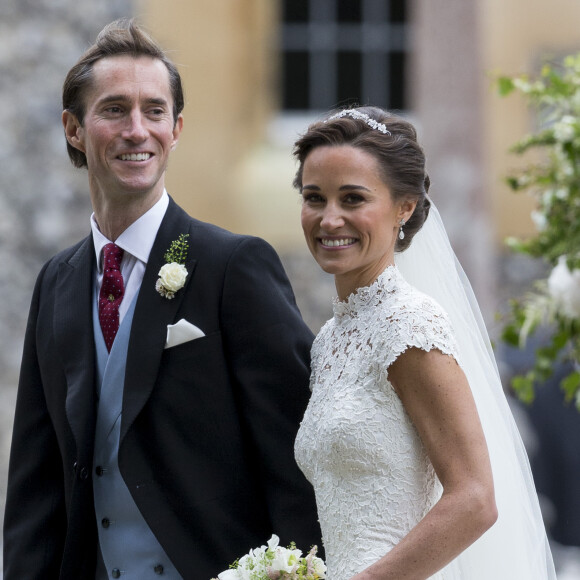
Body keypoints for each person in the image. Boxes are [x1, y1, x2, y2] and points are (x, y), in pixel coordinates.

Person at [3, 19, 322, 580]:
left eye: (154, 112)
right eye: (114, 110)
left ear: (176, 129)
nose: (136, 130)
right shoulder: (56, 280)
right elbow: (37, 482)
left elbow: (300, 458)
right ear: (74, 129)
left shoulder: (234, 267)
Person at [293, 106, 556, 579]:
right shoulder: (329, 340)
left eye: (352, 199)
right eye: (315, 198)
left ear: (404, 207)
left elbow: (474, 499)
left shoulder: (410, 324)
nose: (329, 219)